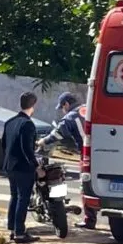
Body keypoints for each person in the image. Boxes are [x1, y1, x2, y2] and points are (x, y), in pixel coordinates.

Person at [37, 92, 94, 228]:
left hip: (88, 154)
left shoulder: (70, 117)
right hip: (106, 150)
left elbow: (58, 133)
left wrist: (43, 141)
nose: (63, 110)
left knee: (86, 186)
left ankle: (89, 220)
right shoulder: (88, 108)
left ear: (66, 104)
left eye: (62, 107)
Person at [2, 92, 44, 244]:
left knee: (14, 196)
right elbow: (27, 149)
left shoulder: (10, 122)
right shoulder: (28, 124)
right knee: (23, 198)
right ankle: (20, 232)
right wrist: (36, 167)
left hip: (9, 165)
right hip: (22, 167)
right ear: (33, 106)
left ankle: (13, 229)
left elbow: (4, 144)